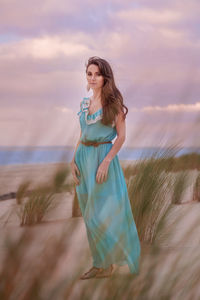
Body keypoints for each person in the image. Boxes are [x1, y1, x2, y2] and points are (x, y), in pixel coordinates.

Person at [70, 56, 141, 280]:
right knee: (90, 215)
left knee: (106, 214)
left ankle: (118, 258)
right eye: (89, 74)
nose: (92, 78)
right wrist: (73, 160)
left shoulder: (113, 105)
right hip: (84, 159)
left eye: (97, 74)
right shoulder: (84, 104)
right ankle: (101, 264)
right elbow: (83, 135)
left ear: (105, 78)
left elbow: (121, 137)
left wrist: (107, 161)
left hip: (103, 159)